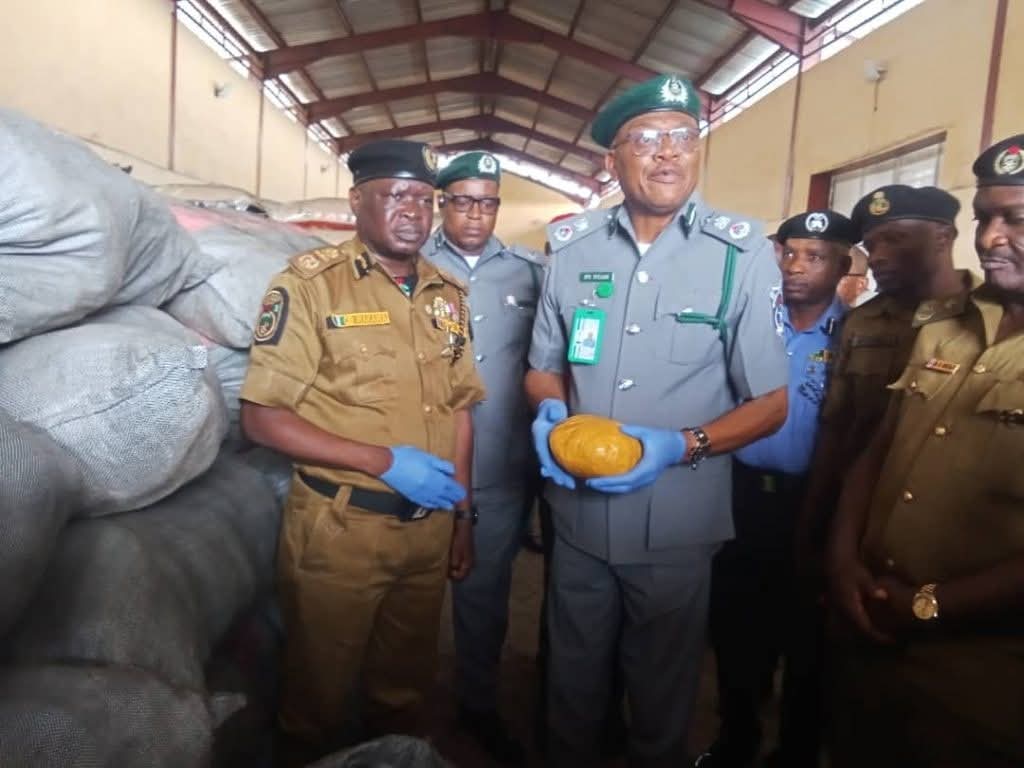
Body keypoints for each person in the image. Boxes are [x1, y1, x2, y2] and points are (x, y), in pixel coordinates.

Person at [525, 73, 789, 768]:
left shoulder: (741, 255)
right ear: (613, 160)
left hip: (677, 525)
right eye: (645, 139)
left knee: (662, 696)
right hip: (578, 516)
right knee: (570, 684)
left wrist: (682, 444)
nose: (667, 153)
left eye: (682, 136)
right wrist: (548, 411)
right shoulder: (574, 250)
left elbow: (772, 403)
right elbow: (543, 363)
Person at [237, 139, 485, 764]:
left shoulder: (448, 294)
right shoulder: (313, 286)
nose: (415, 212)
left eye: (426, 199)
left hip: (426, 534)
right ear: (356, 200)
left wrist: (462, 512)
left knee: (404, 694)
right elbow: (262, 418)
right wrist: (384, 463)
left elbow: (459, 406)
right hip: (341, 531)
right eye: (398, 195)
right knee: (315, 700)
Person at [825, 134, 1024, 767]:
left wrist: (930, 606)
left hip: (983, 667)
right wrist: (840, 556)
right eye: (985, 217)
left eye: (1015, 220)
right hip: (874, 624)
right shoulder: (942, 323)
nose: (991, 238)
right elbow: (878, 449)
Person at [700, 210, 855, 768]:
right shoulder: (749, 321)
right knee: (737, 630)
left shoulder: (855, 337)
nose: (795, 267)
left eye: (814, 256)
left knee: (808, 639)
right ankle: (735, 738)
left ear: (843, 264)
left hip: (811, 503)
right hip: (739, 495)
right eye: (787, 252)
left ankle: (795, 751)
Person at [422, 150, 546, 765]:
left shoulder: (529, 272)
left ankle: (477, 704)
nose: (476, 214)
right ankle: (399, 708)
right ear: (443, 203)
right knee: (406, 594)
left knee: (485, 598)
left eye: (488, 202)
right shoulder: (409, 263)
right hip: (415, 462)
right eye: (463, 200)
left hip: (499, 463)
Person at [796, 185, 978, 594]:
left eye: (894, 239)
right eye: (871, 243)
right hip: (853, 520)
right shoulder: (862, 324)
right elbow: (837, 428)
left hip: (949, 533)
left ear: (943, 237)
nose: (876, 256)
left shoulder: (989, 320)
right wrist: (810, 530)